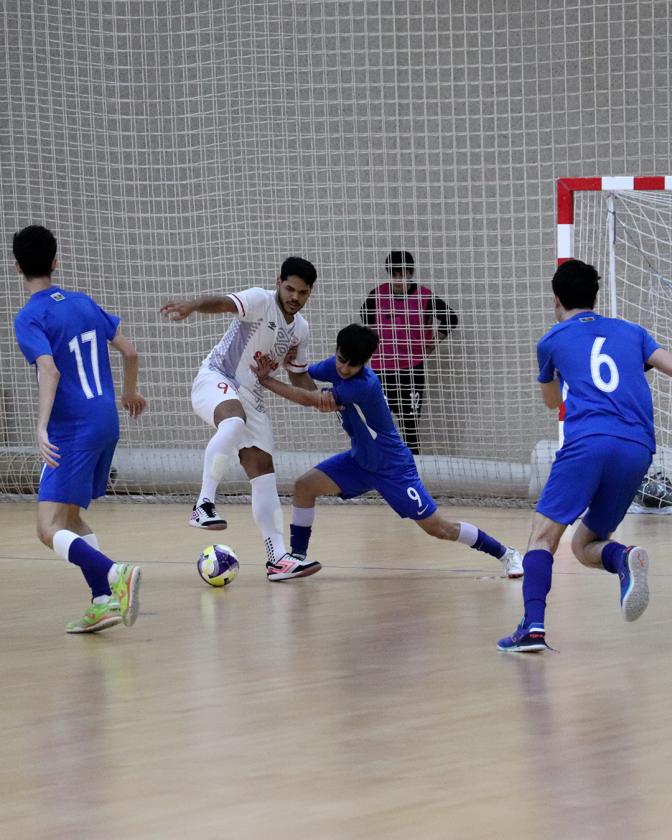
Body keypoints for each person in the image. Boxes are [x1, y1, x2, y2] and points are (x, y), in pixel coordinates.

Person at [251, 323, 524, 580]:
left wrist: (266, 381)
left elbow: (312, 399)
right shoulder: (335, 367)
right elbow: (304, 380)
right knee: (304, 486)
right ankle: (296, 558)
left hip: (393, 468)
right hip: (360, 461)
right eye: (341, 359)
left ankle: (506, 553)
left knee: (439, 528)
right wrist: (291, 362)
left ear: (365, 362)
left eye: (352, 364)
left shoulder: (364, 384)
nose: (344, 368)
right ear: (337, 351)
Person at [497, 259, 672, 653]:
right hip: (638, 448)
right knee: (585, 544)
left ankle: (532, 628)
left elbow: (551, 402)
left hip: (589, 443)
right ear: (596, 295)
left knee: (543, 536)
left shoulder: (551, 341)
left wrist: (561, 376)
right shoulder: (632, 332)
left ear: (555, 299)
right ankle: (623, 557)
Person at [12, 225, 146, 633]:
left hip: (72, 429)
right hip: (106, 420)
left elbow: (49, 371)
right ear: (55, 262)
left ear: (17, 267)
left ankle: (116, 573)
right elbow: (130, 351)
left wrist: (40, 427)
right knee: (69, 519)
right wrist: (129, 393)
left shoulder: (30, 316)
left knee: (47, 528)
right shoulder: (84, 302)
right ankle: (103, 601)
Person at [160, 257, 319, 577]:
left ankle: (278, 558)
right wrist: (193, 305)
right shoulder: (260, 300)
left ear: (309, 293)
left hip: (251, 395)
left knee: (264, 472)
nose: (295, 297)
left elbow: (298, 377)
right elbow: (223, 303)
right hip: (217, 377)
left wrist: (325, 399)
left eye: (302, 293)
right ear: (278, 282)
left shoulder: (300, 330)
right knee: (233, 421)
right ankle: (203, 505)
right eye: (290, 289)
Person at [360, 250, 458, 453]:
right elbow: (366, 319)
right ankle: (384, 464)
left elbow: (450, 318)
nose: (398, 279)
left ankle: (412, 466)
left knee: (410, 424)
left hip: (411, 370)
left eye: (402, 274)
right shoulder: (376, 295)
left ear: (411, 272)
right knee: (380, 422)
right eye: (394, 274)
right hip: (382, 370)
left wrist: (430, 345)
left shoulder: (424, 296)